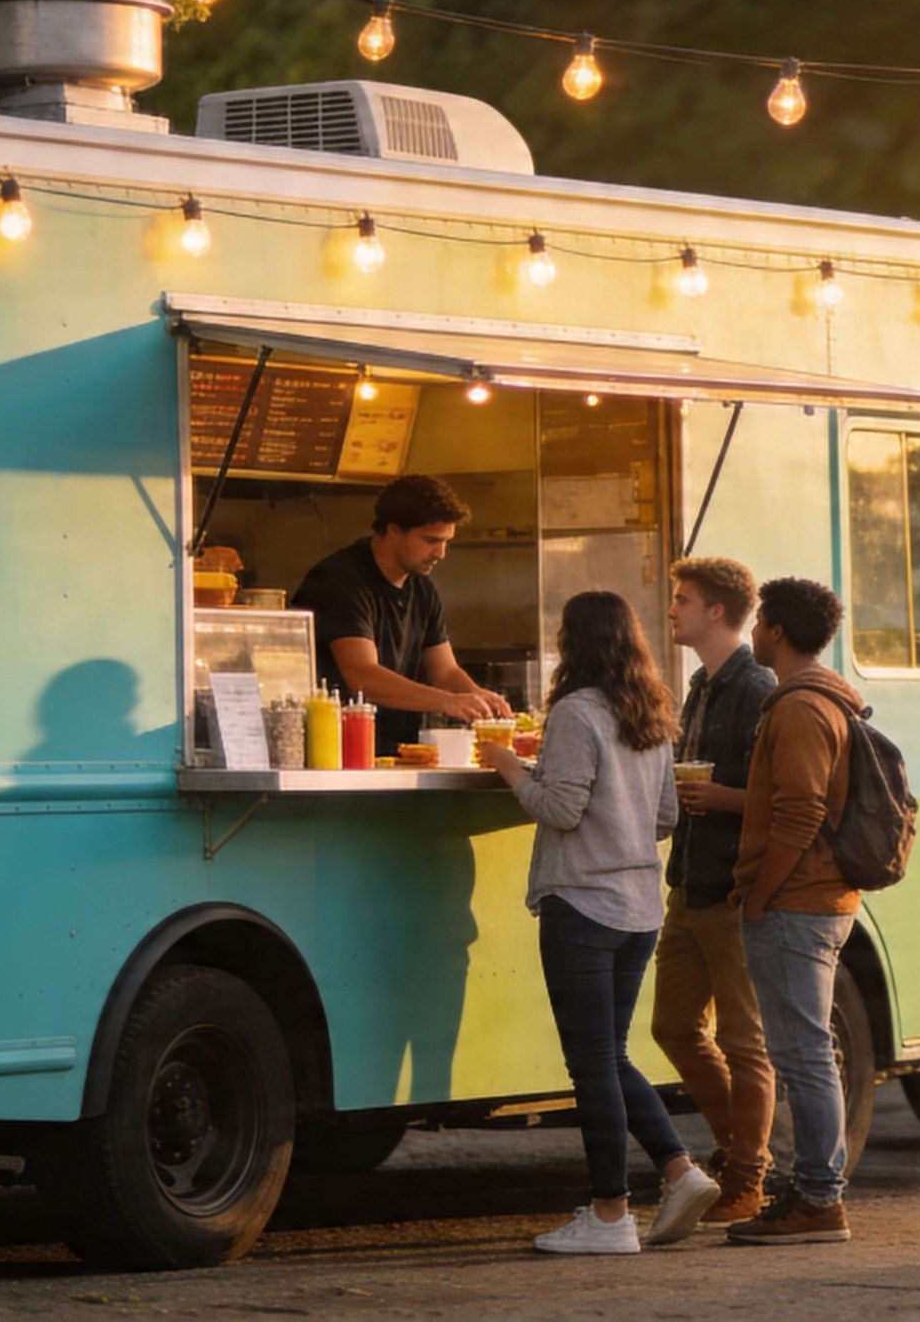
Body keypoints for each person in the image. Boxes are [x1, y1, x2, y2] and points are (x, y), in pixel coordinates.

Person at [480, 591, 720, 1255]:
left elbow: (558, 809)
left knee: (590, 1064)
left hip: (581, 905)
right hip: (638, 909)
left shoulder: (576, 712)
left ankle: (611, 1215)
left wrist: (507, 768)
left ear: (572, 642)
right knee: (609, 1056)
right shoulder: (650, 712)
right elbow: (666, 817)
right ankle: (678, 1169)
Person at [726, 576, 861, 1245]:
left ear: (776, 631)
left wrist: (760, 892)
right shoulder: (826, 699)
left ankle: (817, 1197)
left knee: (803, 1053)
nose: (752, 634)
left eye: (757, 623)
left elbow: (802, 810)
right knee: (806, 1050)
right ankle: (813, 1192)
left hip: (797, 901)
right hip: (816, 897)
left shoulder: (801, 708)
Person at [649, 558, 779, 1224]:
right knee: (671, 1026)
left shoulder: (760, 689)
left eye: (683, 600)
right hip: (688, 884)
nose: (673, 610)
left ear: (717, 613)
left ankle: (748, 1175)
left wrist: (721, 795)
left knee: (744, 1041)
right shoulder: (698, 685)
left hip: (732, 890)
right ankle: (738, 1153)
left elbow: (792, 795)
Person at [291, 474, 512, 755]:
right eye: (431, 540)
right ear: (394, 530)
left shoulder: (423, 589)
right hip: (336, 752)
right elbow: (362, 676)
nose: (441, 553)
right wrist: (447, 701)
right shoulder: (339, 580)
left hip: (399, 751)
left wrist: (477, 696)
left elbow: (445, 670)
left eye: (446, 542)